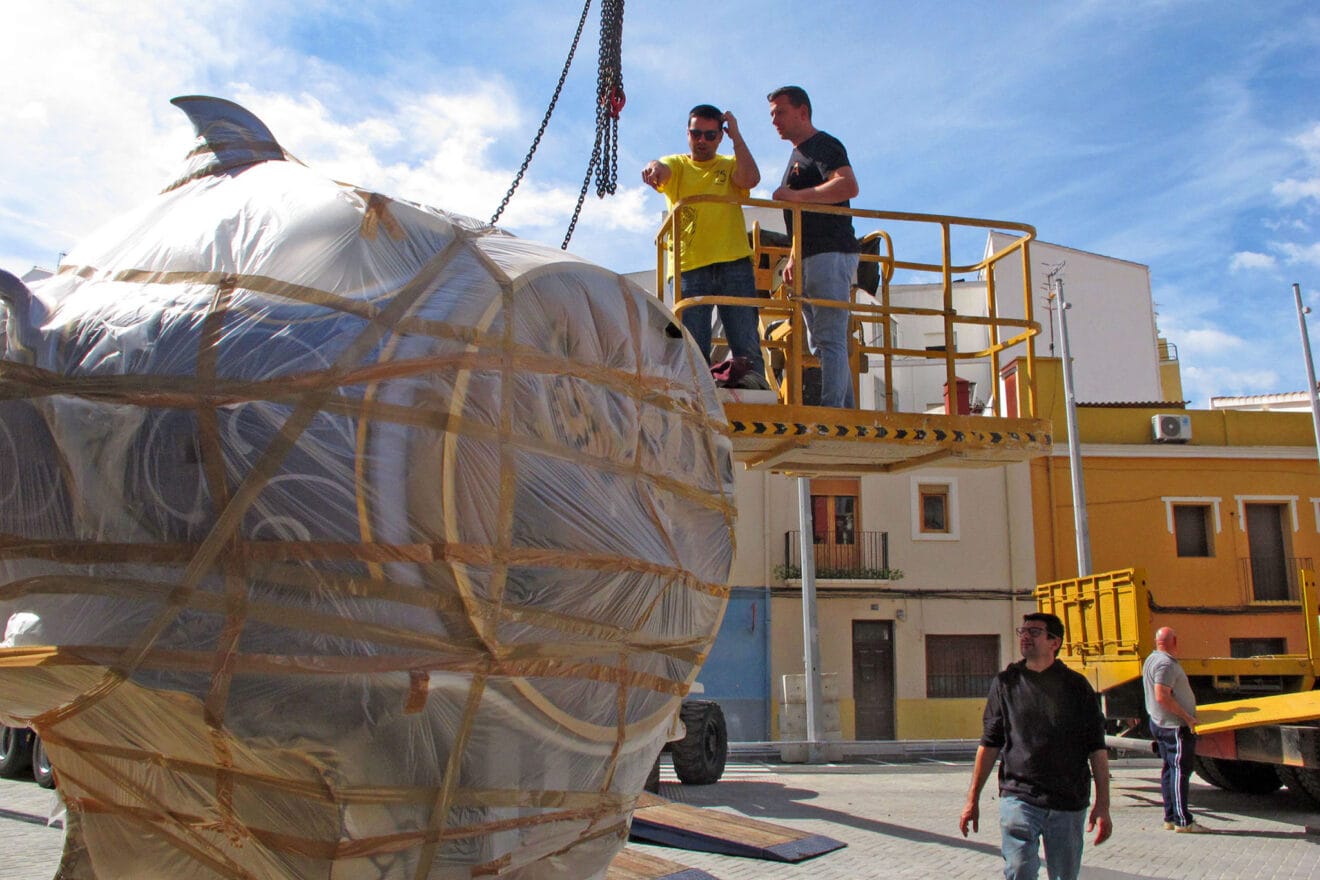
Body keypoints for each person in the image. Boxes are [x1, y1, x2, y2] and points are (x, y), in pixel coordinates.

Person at [960, 612, 1112, 880]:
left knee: (1064, 876)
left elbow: (1096, 748)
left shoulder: (1077, 687)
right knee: (1019, 869)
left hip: (1068, 801)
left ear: (1055, 642)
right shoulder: (1006, 683)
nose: (1025, 637)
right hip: (1019, 796)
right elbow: (990, 744)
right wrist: (972, 799)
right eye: (1023, 631)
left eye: (1034, 632)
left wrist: (1103, 803)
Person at [642, 104, 766, 383]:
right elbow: (661, 167)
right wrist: (653, 169)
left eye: (710, 135)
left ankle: (756, 389)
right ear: (687, 133)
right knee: (692, 348)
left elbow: (751, 179)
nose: (702, 141)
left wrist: (737, 138)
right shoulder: (677, 163)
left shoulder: (729, 164)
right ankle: (696, 396)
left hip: (733, 263)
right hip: (689, 267)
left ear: (720, 137)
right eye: (696, 134)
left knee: (745, 340)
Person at [767, 85, 860, 408]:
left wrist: (796, 196)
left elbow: (847, 185)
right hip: (809, 256)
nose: (774, 120)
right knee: (820, 340)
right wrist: (794, 256)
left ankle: (833, 414)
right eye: (772, 114)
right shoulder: (799, 153)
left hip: (829, 252)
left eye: (780, 112)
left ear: (802, 112)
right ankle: (844, 412)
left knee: (830, 339)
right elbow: (801, 216)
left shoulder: (823, 145)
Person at [1143, 626, 1207, 833]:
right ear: (1175, 642)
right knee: (1180, 772)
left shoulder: (1152, 659)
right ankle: (1183, 821)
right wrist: (1187, 717)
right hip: (1174, 726)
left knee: (1170, 770)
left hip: (1161, 723)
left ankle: (1170, 817)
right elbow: (1162, 696)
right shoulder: (1165, 664)